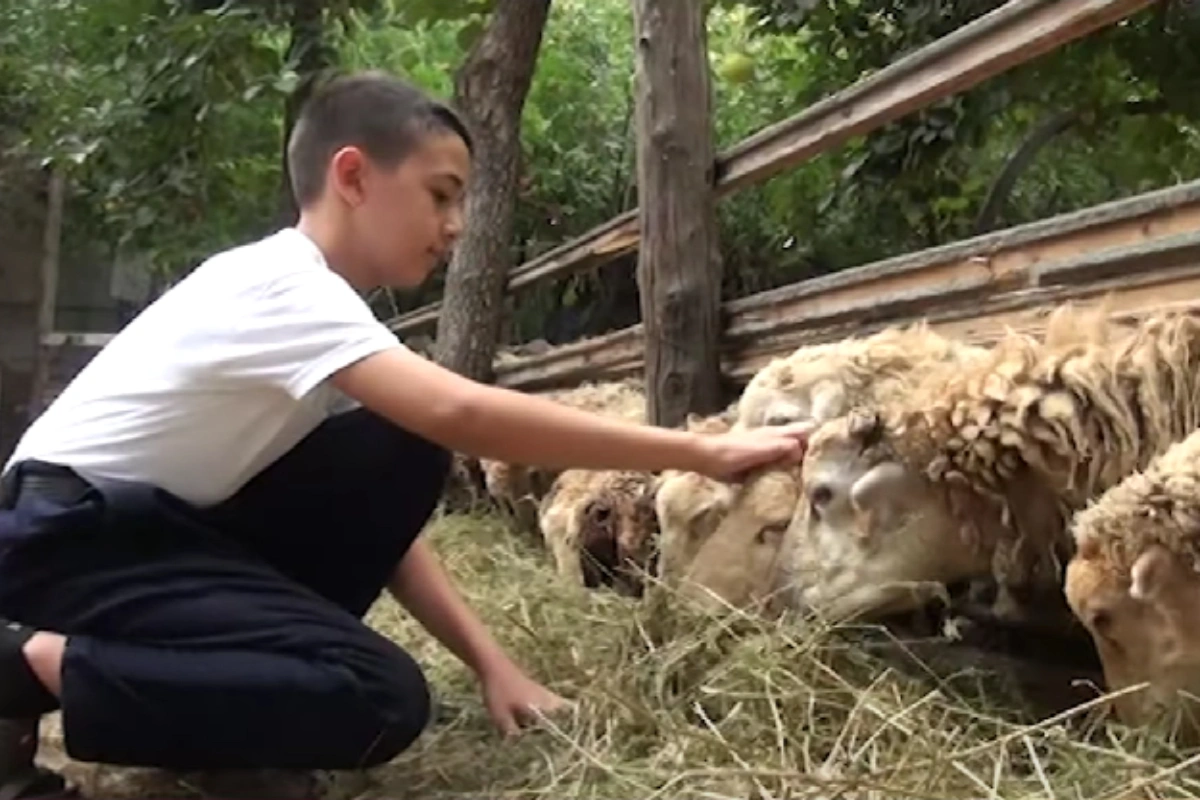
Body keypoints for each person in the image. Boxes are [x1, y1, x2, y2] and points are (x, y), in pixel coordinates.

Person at [0, 70, 812, 799]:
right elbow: (462, 413)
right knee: (380, 699)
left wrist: (493, 664)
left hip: (142, 535)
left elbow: (380, 525)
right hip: (62, 538)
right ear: (352, 175)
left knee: (397, 448)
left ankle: (221, 724)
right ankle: (26, 664)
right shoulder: (284, 287)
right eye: (440, 193)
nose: (457, 224)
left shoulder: (315, 310)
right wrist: (701, 451)